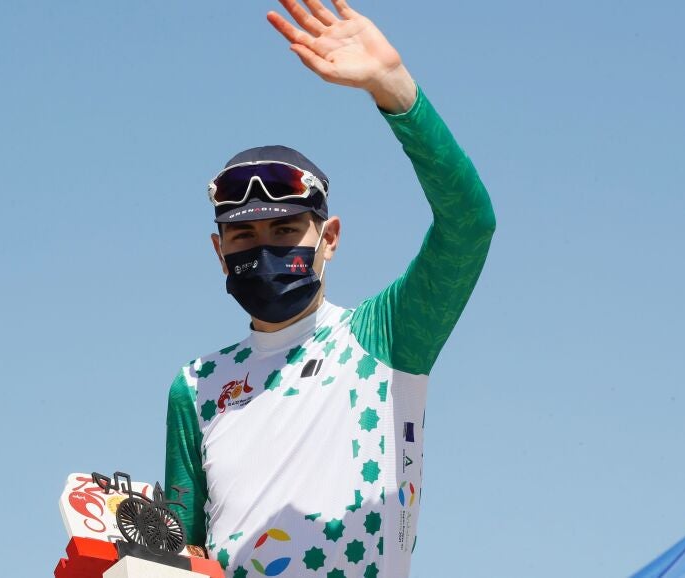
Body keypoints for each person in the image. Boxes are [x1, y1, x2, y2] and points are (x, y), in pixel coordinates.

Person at [164, 1, 495, 576]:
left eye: (285, 230)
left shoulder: (385, 337)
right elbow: (175, 557)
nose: (264, 248)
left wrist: (395, 90)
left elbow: (470, 224)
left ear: (330, 238)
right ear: (219, 252)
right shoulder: (195, 386)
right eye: (243, 235)